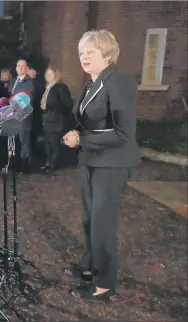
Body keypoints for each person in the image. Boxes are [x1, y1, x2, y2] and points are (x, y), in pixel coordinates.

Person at [63, 29, 141, 301]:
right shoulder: (91, 82)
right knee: (88, 221)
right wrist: (74, 133)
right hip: (91, 161)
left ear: (107, 54)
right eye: (81, 52)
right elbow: (89, 121)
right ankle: (92, 269)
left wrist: (81, 139)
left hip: (111, 164)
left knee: (102, 223)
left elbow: (123, 133)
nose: (83, 56)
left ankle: (105, 283)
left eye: (90, 52)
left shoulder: (119, 81)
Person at [40, 66, 73, 173]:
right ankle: (48, 163)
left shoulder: (60, 87)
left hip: (56, 120)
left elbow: (67, 104)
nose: (48, 76)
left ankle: (53, 165)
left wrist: (49, 106)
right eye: (47, 74)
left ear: (56, 75)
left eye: (50, 74)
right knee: (47, 143)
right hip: (47, 120)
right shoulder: (47, 88)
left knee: (53, 143)